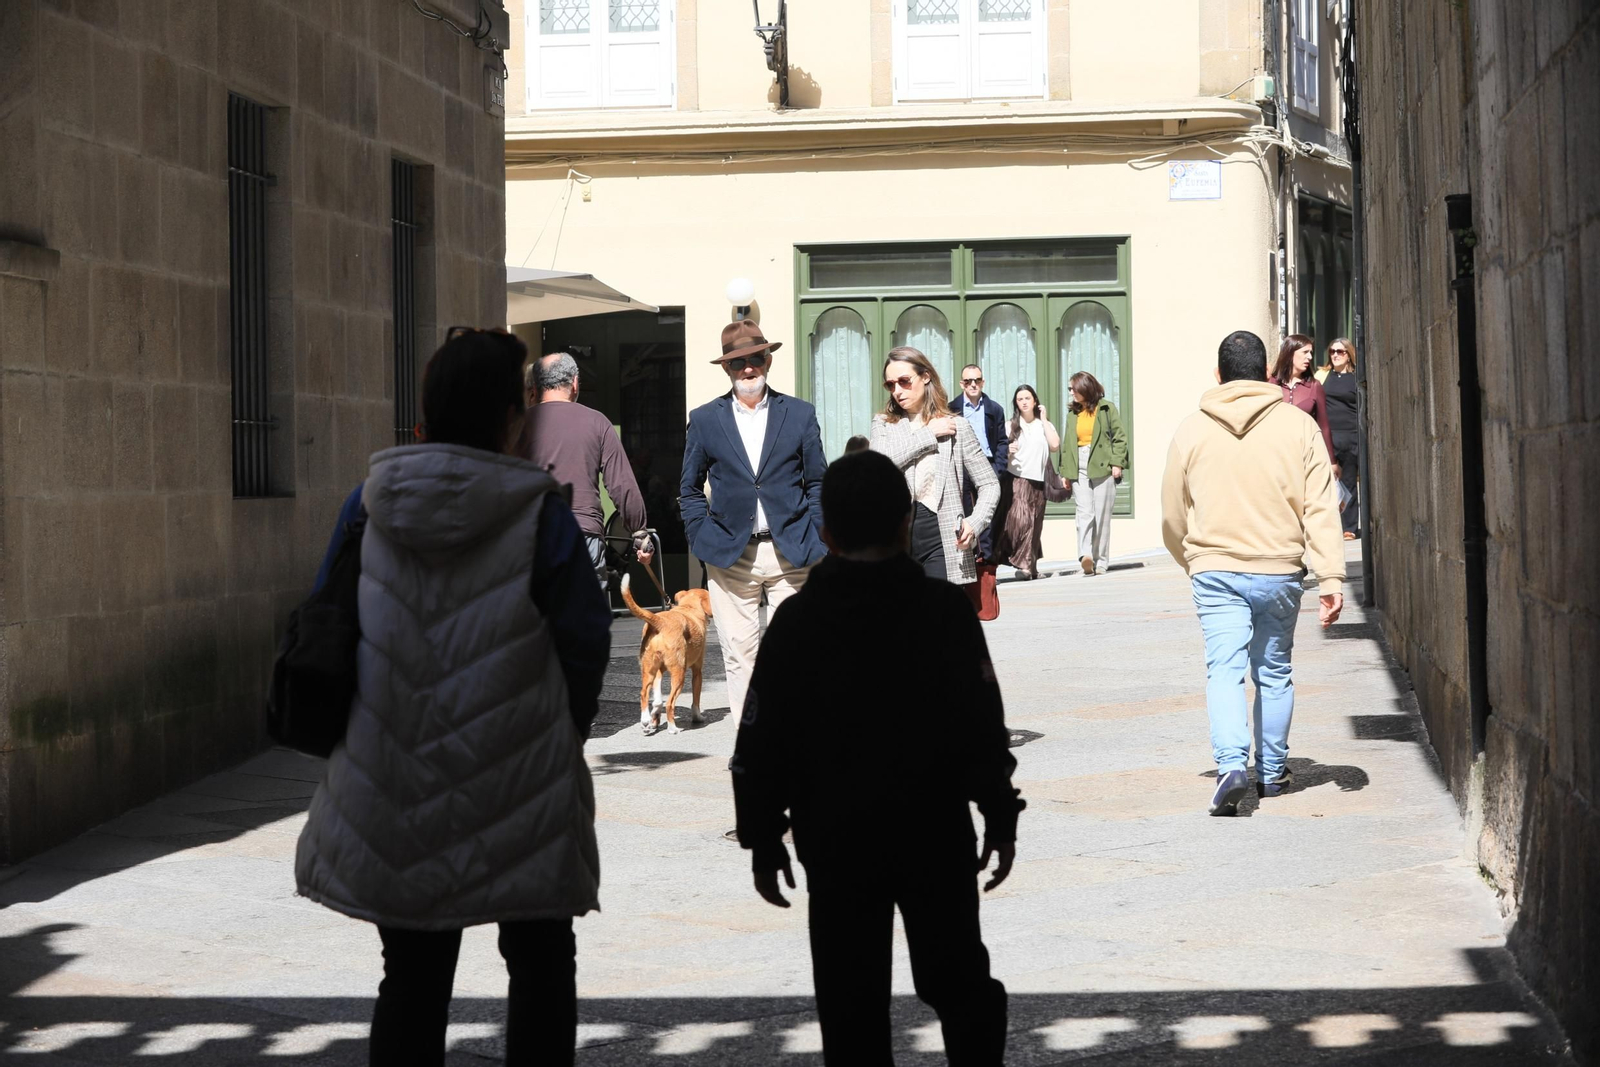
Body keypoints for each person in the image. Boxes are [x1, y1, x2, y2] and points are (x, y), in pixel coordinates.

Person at [297, 328, 613, 1064]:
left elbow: (324, 623)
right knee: (540, 964)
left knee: (411, 976)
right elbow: (585, 642)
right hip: (521, 780)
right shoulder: (542, 516)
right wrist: (558, 731)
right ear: (511, 418)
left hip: (396, 775)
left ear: (425, 416)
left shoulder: (369, 504)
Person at [730, 449, 1024, 1064]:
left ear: (827, 534)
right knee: (958, 981)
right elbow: (981, 723)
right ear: (903, 525)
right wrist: (999, 812)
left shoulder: (797, 621)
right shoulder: (944, 612)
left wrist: (762, 835)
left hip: (836, 841)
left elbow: (761, 741)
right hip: (933, 835)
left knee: (850, 1003)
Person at [1160, 329, 1346, 816]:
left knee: (1223, 670)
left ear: (1218, 376)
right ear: (1266, 374)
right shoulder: (1297, 427)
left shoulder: (1191, 429)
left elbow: (1172, 514)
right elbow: (1321, 508)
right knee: (1274, 670)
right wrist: (1330, 577)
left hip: (1215, 568)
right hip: (1279, 568)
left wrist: (1191, 558)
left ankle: (1230, 765)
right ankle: (1273, 771)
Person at [679, 318, 828, 725]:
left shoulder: (799, 414)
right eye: (738, 362)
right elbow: (689, 489)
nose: (748, 368)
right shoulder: (706, 419)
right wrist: (701, 536)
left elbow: (817, 482)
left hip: (793, 553)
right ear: (726, 369)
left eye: (756, 358)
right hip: (730, 555)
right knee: (739, 653)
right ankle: (751, 744)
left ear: (768, 359)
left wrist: (817, 535)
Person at [869, 347, 999, 587]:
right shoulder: (884, 424)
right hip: (893, 538)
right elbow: (878, 465)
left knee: (936, 617)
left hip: (942, 537)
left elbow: (989, 483)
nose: (897, 391)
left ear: (925, 377)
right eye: (890, 385)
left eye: (904, 381)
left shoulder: (956, 426)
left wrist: (975, 522)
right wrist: (929, 435)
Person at [522, 350, 654, 584]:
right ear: (574, 383)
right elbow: (622, 484)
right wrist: (639, 533)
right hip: (582, 534)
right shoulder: (597, 422)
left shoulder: (517, 424)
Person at [1060, 371, 1128, 576]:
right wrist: (1065, 471)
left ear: (1085, 388)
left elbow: (1120, 437)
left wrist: (1117, 463)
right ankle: (1085, 555)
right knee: (1084, 512)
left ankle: (1101, 561)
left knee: (1101, 515)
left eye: (1074, 388)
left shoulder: (1107, 409)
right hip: (1078, 464)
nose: (1071, 392)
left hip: (1102, 463)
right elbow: (1067, 444)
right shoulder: (1073, 414)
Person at [991, 384, 1060, 580]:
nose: (1024, 402)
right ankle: (1019, 562)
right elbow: (999, 453)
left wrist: (1044, 418)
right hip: (1017, 479)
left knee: (1035, 523)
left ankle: (1030, 568)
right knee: (1019, 522)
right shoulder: (1010, 425)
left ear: (1035, 401)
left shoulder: (1043, 425)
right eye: (1020, 399)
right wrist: (1007, 450)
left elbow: (1054, 445)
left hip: (1039, 481)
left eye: (1027, 398)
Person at [951, 364, 1009, 560]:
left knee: (987, 515)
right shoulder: (952, 409)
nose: (973, 384)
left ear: (983, 382)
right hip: (963, 466)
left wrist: (999, 468)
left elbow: (1002, 441)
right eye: (968, 381)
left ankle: (987, 562)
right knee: (966, 512)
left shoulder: (994, 409)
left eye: (977, 380)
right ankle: (971, 558)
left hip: (988, 464)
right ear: (962, 384)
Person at [1270, 333, 1338, 470]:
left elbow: (1323, 426)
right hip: (1274, 454)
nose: (1310, 357)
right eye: (1305, 352)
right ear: (1289, 353)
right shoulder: (1271, 384)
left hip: (1304, 456)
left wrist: (1332, 462)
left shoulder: (1314, 386)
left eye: (1311, 352)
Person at [1319, 337, 1361, 539]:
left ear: (1349, 354)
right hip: (1328, 436)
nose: (1335, 355)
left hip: (1351, 436)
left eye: (1340, 351)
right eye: (1332, 351)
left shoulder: (1356, 377)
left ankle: (1349, 527)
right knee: (1327, 482)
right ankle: (1330, 524)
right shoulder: (1323, 375)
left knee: (1349, 481)